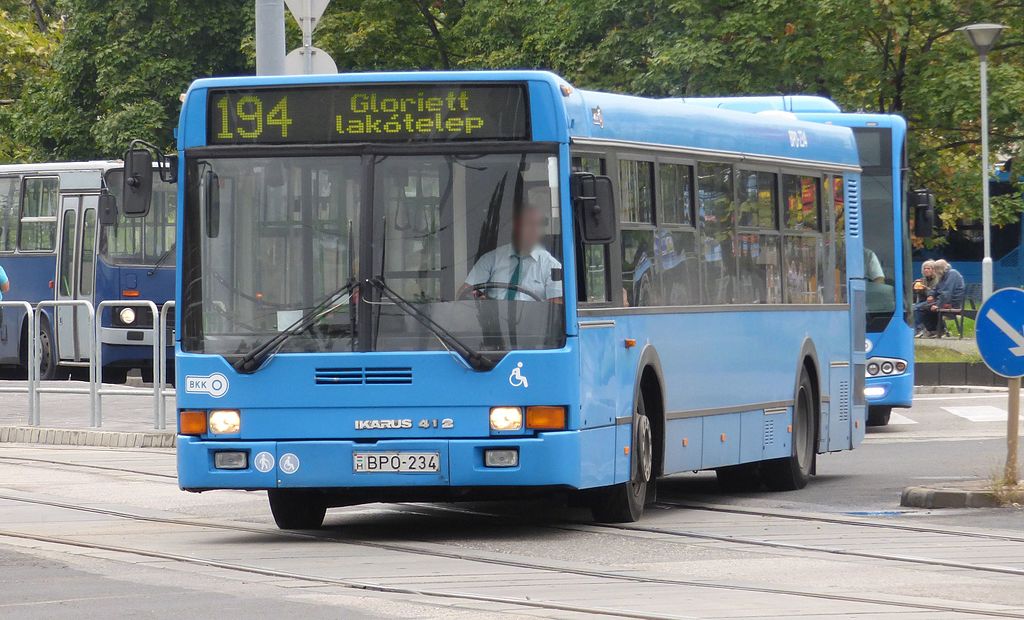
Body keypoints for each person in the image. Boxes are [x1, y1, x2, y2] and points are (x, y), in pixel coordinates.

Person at [462, 201, 563, 303]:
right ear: (516, 226)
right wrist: (479, 301)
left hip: (532, 319)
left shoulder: (552, 266)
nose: (534, 230)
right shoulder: (491, 259)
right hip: (492, 318)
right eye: (529, 224)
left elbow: (556, 308)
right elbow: (466, 293)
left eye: (538, 225)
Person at [915, 259, 965, 337]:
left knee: (920, 307)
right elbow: (936, 288)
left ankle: (925, 330)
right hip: (946, 301)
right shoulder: (944, 275)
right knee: (920, 306)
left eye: (935, 269)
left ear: (939, 269)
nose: (934, 272)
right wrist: (931, 295)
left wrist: (938, 305)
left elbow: (946, 294)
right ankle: (935, 330)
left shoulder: (952, 274)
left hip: (952, 303)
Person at [912, 260, 936, 336]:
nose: (926, 270)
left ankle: (918, 330)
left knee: (917, 308)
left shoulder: (937, 279)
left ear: (933, 270)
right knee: (911, 307)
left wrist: (925, 289)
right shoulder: (922, 280)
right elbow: (916, 293)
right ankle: (918, 329)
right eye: (924, 268)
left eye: (928, 268)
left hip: (935, 301)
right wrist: (913, 286)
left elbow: (935, 293)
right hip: (924, 302)